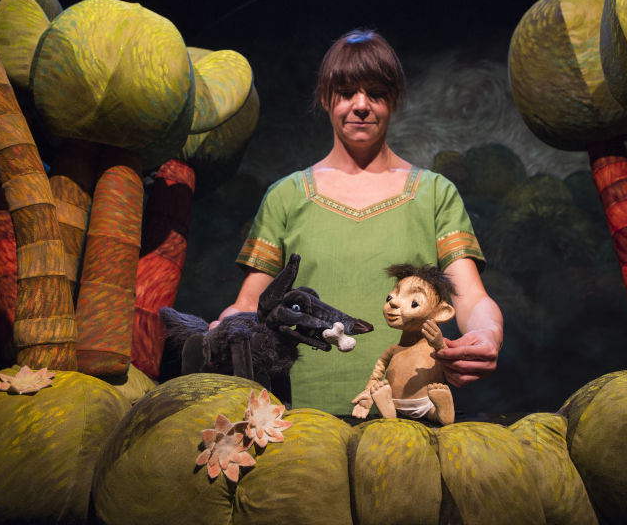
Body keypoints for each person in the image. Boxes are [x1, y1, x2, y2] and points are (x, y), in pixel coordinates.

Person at [211, 28, 503, 415]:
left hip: (407, 414)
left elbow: (471, 297)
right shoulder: (287, 196)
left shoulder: (434, 193)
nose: (361, 105)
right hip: (300, 419)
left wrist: (486, 333)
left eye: (376, 93)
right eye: (347, 92)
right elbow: (250, 306)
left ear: (394, 99)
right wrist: (223, 329)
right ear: (325, 98)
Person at [351, 264, 458, 425]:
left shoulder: (432, 346)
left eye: (414, 302)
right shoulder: (394, 350)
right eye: (390, 297)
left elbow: (449, 363)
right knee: (387, 402)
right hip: (395, 401)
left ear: (441, 313)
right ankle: (388, 408)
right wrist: (368, 392)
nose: (393, 303)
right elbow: (377, 374)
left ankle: (441, 411)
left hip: (427, 401)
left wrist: (439, 345)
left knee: (433, 413)